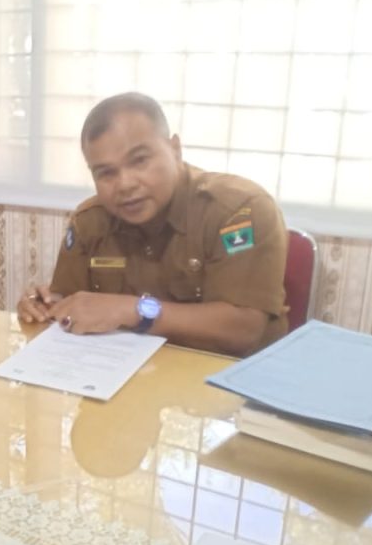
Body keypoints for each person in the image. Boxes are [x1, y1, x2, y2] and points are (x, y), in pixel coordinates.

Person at [18, 92, 287, 356]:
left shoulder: (237, 211)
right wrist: (45, 306)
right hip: (120, 371)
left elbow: (244, 330)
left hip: (226, 374)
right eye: (105, 173)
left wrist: (133, 310)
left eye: (139, 161)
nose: (125, 184)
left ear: (175, 149)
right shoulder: (90, 222)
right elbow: (70, 304)